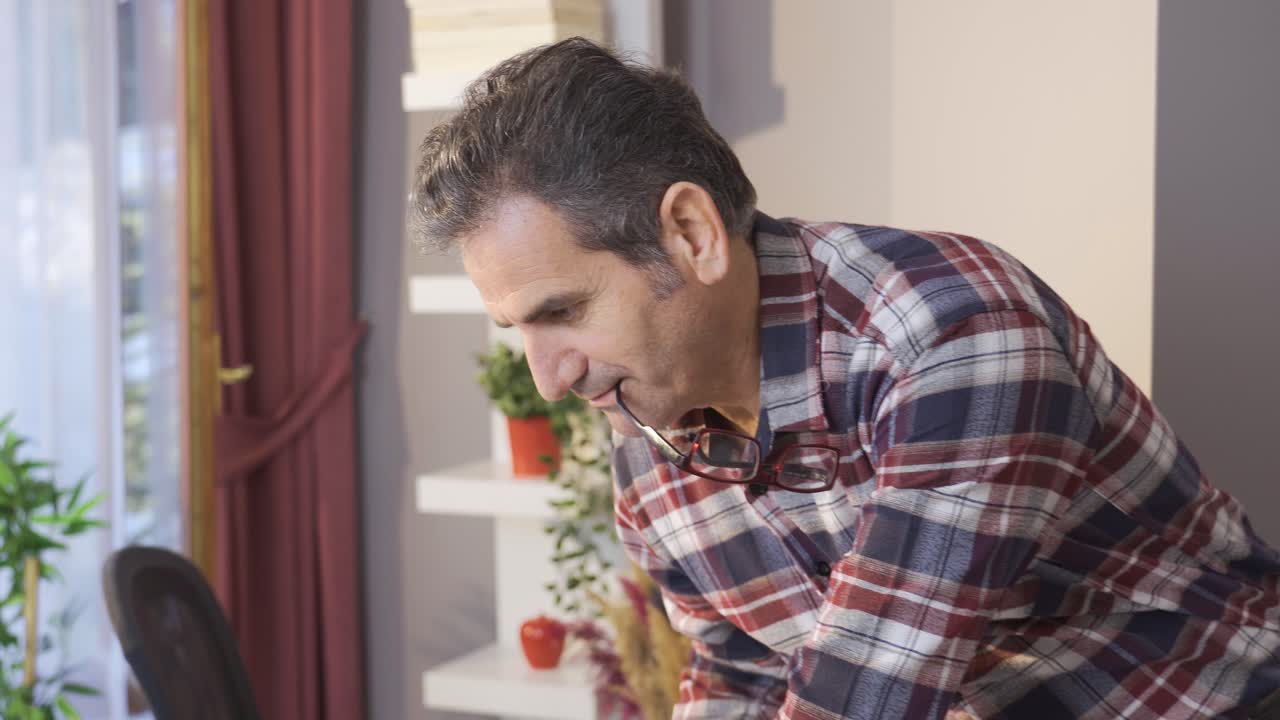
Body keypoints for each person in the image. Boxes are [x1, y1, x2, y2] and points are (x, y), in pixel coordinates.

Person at [408, 38, 1280, 719]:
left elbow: (869, 697)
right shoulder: (649, 430)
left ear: (693, 234)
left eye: (562, 310)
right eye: (519, 329)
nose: (549, 380)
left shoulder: (950, 332)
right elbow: (741, 669)